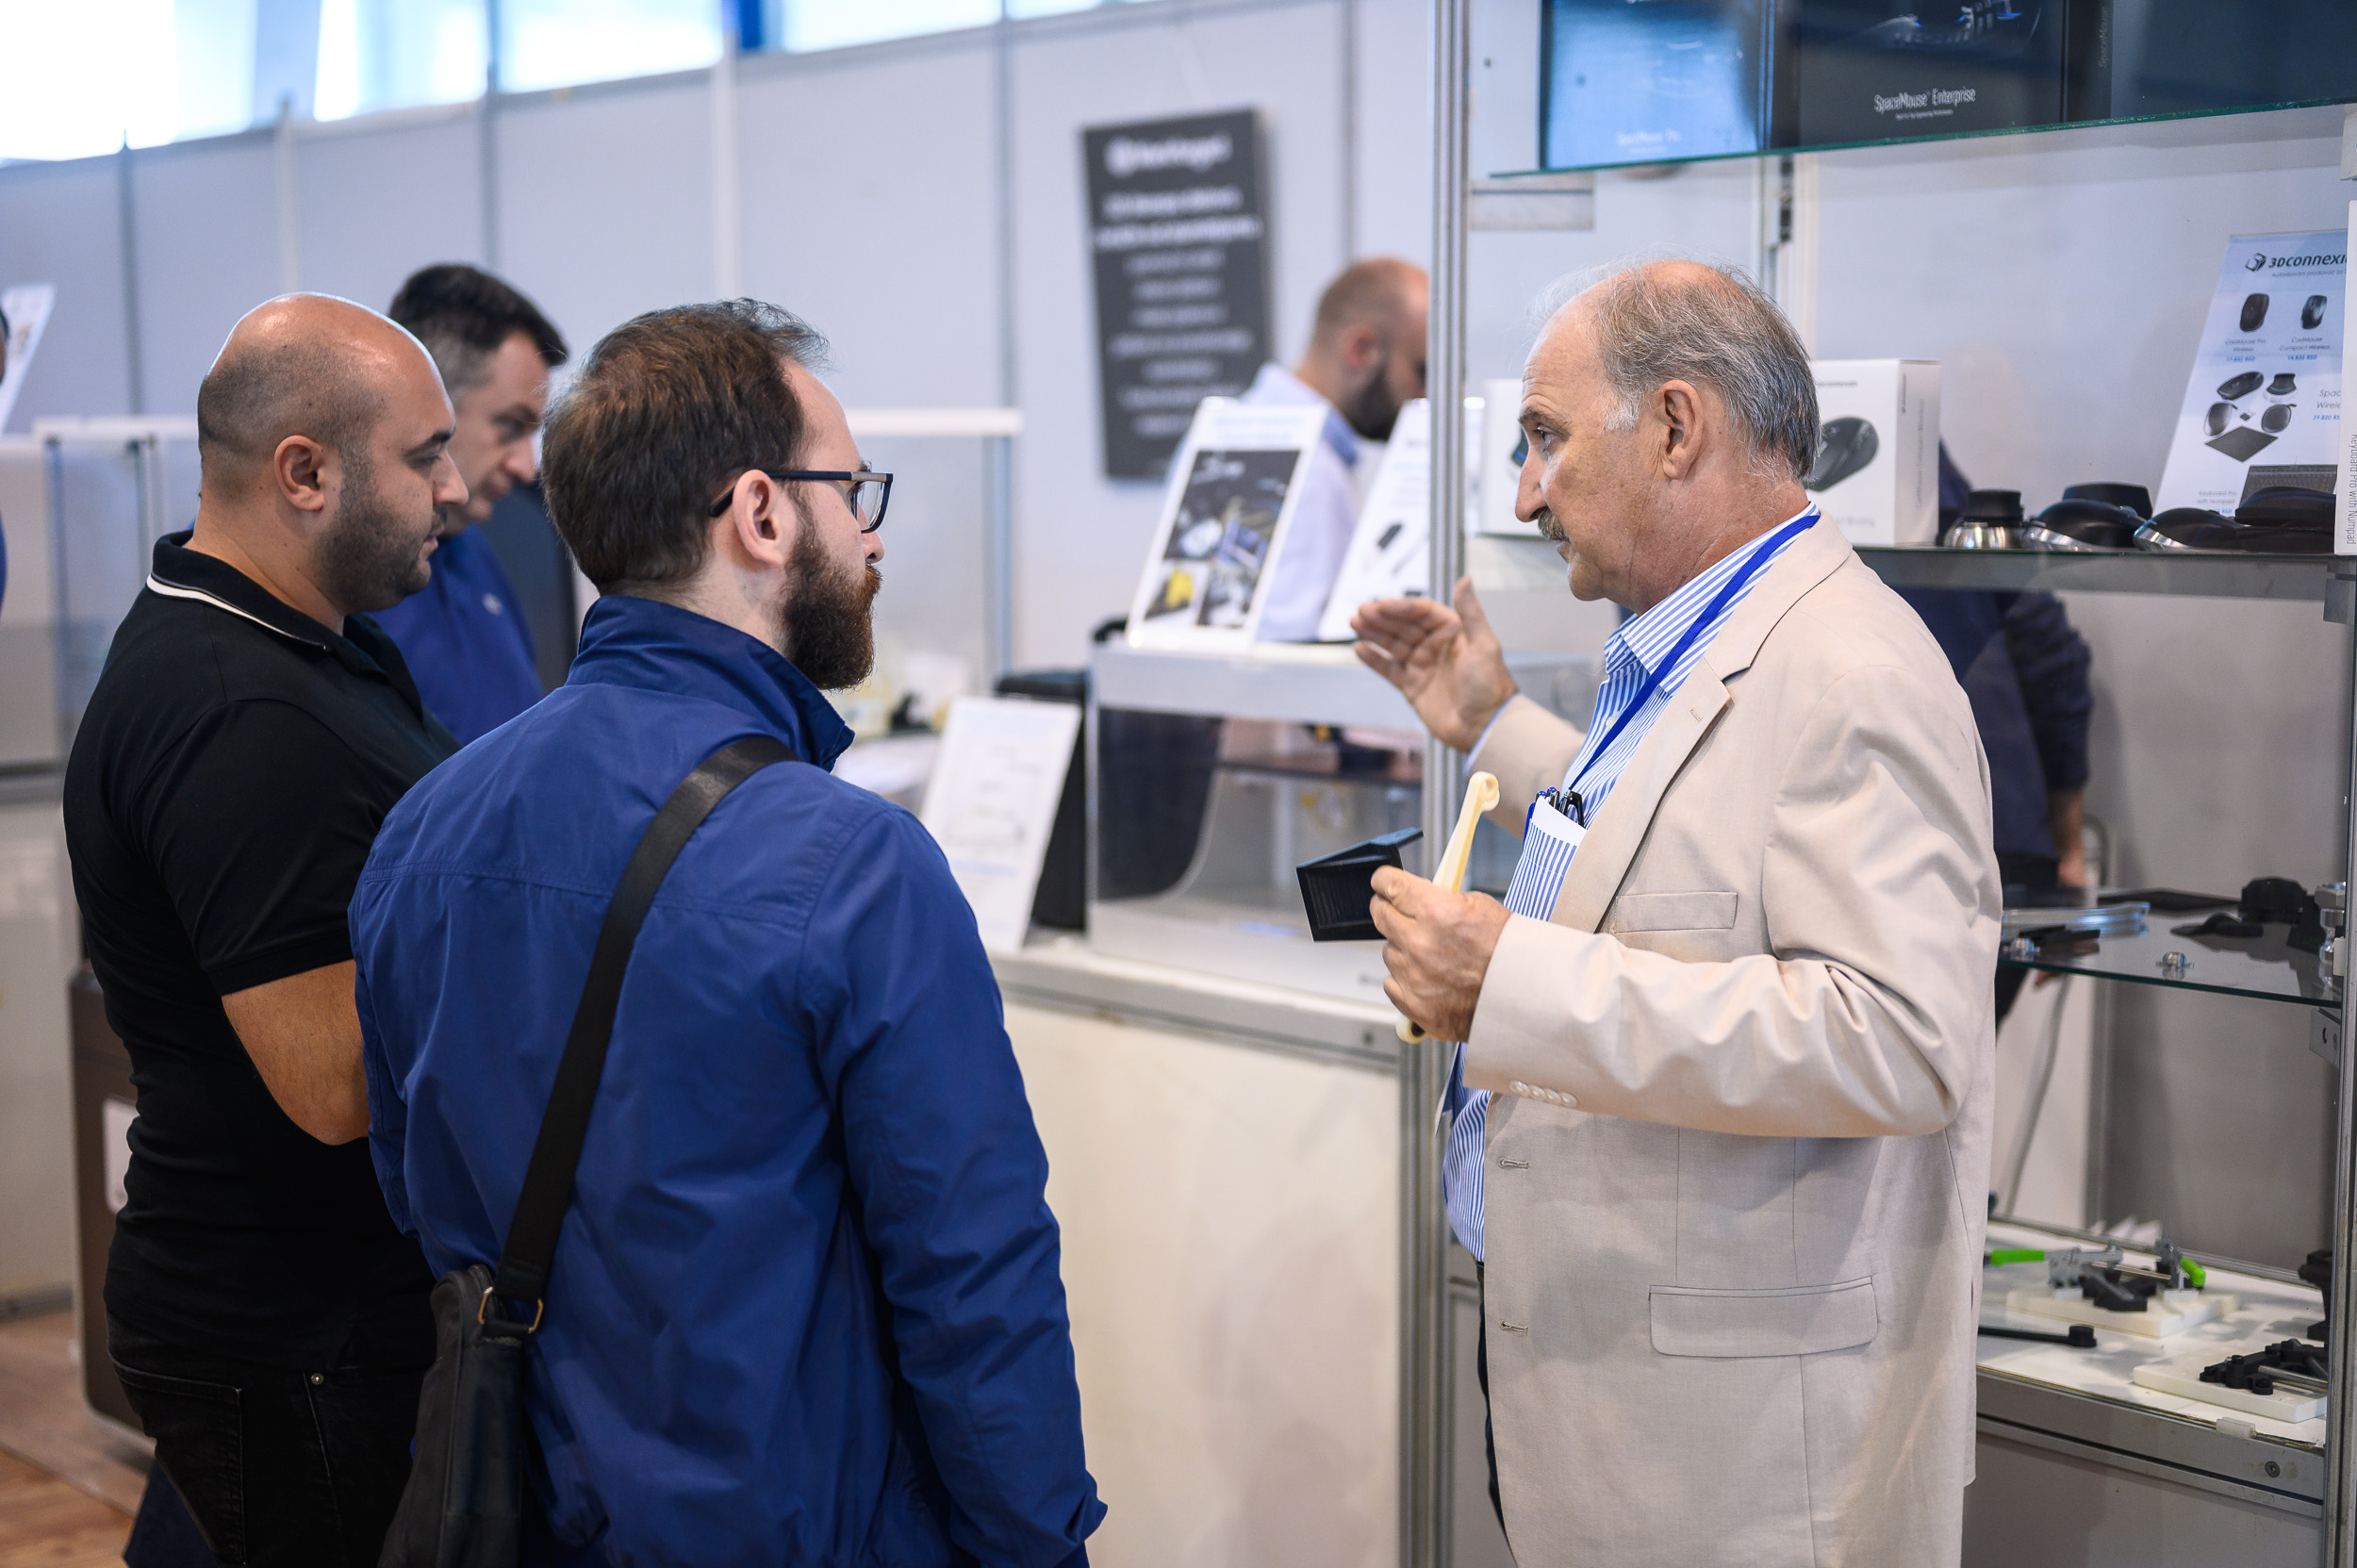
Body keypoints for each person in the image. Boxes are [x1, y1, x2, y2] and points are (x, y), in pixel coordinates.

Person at [350, 300, 1104, 1565]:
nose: (869, 533)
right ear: (760, 513)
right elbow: (974, 1280)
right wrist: (1040, 1546)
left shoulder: (422, 829)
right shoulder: (854, 868)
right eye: (850, 491)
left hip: (526, 1514)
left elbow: (412, 1186)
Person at [1352, 259, 1997, 1566]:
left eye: (1544, 438)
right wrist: (1490, 720)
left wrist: (1509, 986)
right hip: (1614, 1390)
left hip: (1738, 1462)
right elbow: (1672, 837)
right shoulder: (1699, 633)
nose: (1526, 493)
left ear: (1675, 428)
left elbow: (1901, 1039)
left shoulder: (1855, 671)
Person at [63, 294, 465, 1566]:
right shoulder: (240, 712)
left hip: (320, 1309)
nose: (455, 491)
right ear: (305, 472)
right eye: (425, 458)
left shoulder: (314, 647)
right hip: (290, 1334)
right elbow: (334, 1084)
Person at [371, 263, 569, 742]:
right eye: (511, 427)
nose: (526, 468)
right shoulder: (346, 570)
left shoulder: (470, 544)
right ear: (431, 401)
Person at [1244, 256, 1428, 640]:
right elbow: (1295, 656)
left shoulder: (1232, 428)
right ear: (1362, 350)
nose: (1426, 395)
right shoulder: (1310, 473)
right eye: (1421, 371)